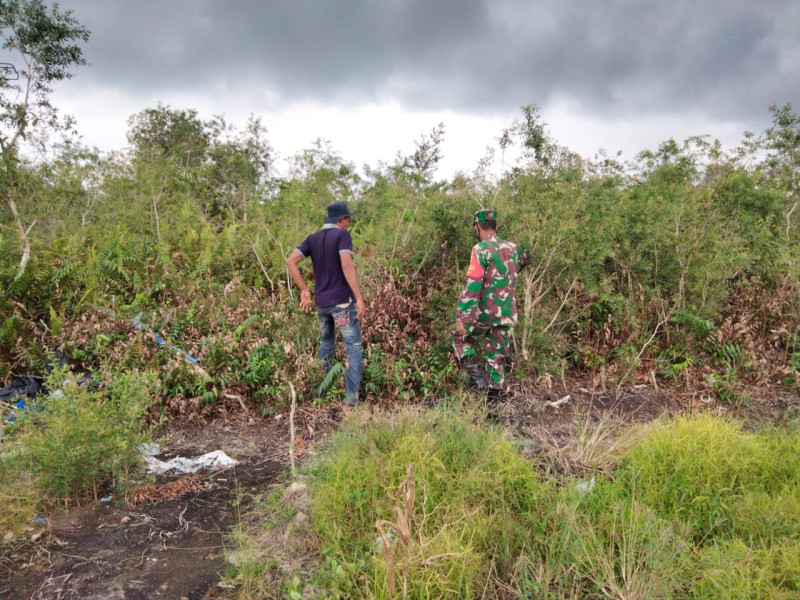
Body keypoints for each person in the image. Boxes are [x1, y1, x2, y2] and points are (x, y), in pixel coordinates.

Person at [286, 201, 366, 407]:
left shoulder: (312, 238)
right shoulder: (342, 235)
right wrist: (359, 297)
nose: (349, 223)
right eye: (348, 219)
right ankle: (350, 400)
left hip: (322, 304)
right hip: (341, 303)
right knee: (353, 348)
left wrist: (305, 290)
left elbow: (290, 261)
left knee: (327, 345)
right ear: (341, 220)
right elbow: (346, 264)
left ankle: (323, 395)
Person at [452, 208, 528, 404]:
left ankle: (476, 378)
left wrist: (463, 317)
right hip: (507, 313)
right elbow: (524, 260)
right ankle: (493, 407)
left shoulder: (480, 250)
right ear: (496, 226)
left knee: (459, 338)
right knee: (496, 357)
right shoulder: (514, 248)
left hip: (485, 313)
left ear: (477, 227)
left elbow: (472, 285)